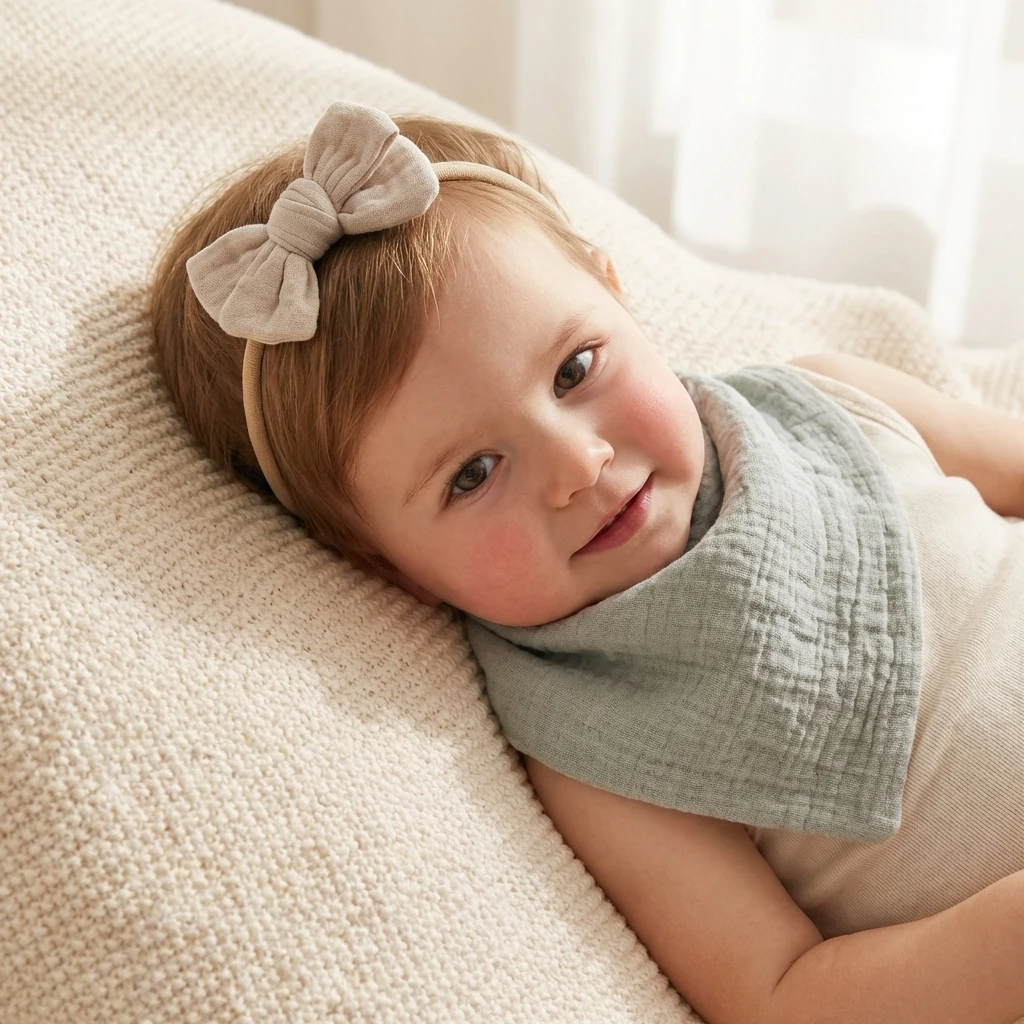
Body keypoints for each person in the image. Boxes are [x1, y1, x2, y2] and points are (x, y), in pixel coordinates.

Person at [148, 100, 1024, 1024]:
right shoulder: (597, 749)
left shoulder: (831, 400)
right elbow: (779, 995)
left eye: (574, 371)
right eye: (473, 475)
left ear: (618, 292)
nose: (577, 467)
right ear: (385, 567)